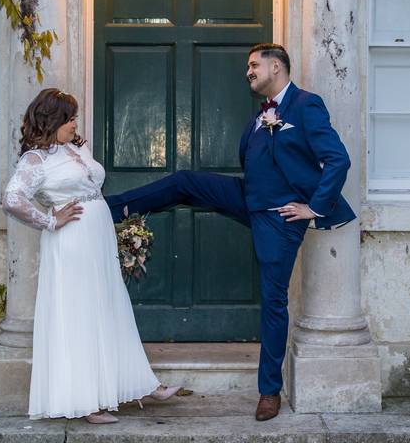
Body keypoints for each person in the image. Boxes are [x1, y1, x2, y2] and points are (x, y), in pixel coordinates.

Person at [105, 43, 355, 421]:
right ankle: (112, 208)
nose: (249, 72)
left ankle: (269, 391)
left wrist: (313, 208)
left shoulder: (306, 104)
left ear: (277, 66)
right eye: (248, 66)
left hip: (279, 217)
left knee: (273, 301)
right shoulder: (260, 116)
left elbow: (338, 159)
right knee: (186, 181)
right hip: (247, 196)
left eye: (254, 65)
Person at [2, 88, 181, 424]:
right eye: (69, 118)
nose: (74, 123)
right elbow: (13, 199)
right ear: (51, 120)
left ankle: (140, 384)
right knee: (80, 316)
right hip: (71, 244)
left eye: (74, 117)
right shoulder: (35, 160)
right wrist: (49, 220)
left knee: (110, 309)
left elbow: (92, 186)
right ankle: (86, 402)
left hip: (97, 240)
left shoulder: (75, 148)